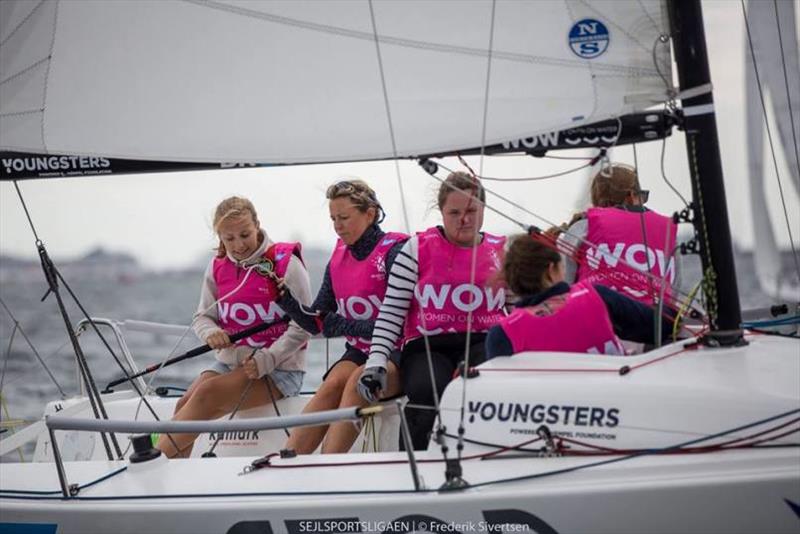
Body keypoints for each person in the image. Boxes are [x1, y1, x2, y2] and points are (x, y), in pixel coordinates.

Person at [358, 172, 506, 451]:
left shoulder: (502, 251)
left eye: (472, 211)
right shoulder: (416, 249)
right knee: (427, 391)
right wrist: (375, 364)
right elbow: (391, 312)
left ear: (484, 209)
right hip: (428, 345)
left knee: (482, 388)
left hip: (482, 341)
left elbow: (519, 310)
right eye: (455, 212)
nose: (464, 219)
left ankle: (487, 457)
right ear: (442, 212)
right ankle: (411, 469)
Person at [157, 196, 311, 458]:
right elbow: (202, 317)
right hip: (230, 363)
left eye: (245, 234)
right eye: (229, 238)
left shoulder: (286, 263)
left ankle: (143, 467)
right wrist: (211, 333)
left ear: (257, 225)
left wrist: (268, 358)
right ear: (219, 237)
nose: (238, 245)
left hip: (280, 369)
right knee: (184, 403)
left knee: (207, 392)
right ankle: (171, 485)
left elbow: (304, 325)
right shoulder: (217, 266)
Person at [277, 180, 407, 454]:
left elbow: (401, 323)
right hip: (361, 351)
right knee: (332, 384)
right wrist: (286, 301)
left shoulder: (396, 252)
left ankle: (329, 465)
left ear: (369, 214)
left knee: (356, 382)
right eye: (333, 218)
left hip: (399, 353)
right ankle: (288, 461)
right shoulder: (338, 257)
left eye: (345, 217)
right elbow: (318, 321)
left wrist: (344, 325)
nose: (338, 225)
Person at [485, 234, 678, 359]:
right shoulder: (596, 297)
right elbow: (662, 325)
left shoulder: (501, 334)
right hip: (614, 409)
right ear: (551, 270)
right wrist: (673, 310)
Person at [557, 164, 678, 307]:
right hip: (658, 320)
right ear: (632, 196)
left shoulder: (584, 225)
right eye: (642, 196)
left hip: (601, 314)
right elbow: (677, 286)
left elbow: (565, 284)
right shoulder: (668, 228)